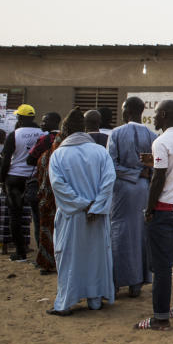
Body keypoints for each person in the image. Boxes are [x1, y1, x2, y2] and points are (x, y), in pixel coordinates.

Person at [46, 108, 116, 316]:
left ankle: (65, 303)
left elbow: (58, 186)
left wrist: (81, 204)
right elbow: (109, 181)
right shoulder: (100, 152)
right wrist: (96, 207)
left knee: (69, 258)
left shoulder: (58, 155)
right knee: (95, 258)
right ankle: (95, 301)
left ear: (65, 130)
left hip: (72, 217)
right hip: (96, 215)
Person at [135, 99, 173, 331]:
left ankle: (160, 318)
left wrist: (149, 209)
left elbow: (159, 179)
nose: (154, 118)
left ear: (165, 114)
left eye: (157, 114)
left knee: (160, 266)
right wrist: (154, 161)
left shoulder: (161, 141)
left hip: (166, 210)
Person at [106, 96, 156, 297]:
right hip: (144, 190)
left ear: (126, 112)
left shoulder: (116, 133)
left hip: (122, 191)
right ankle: (137, 283)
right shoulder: (152, 136)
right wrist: (143, 174)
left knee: (118, 232)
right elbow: (156, 166)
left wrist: (132, 174)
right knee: (140, 233)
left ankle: (117, 281)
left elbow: (111, 164)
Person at [0, 104, 46, 262]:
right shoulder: (43, 133)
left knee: (15, 215)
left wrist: (2, 180)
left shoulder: (14, 134)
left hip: (15, 178)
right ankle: (42, 254)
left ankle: (20, 253)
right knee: (38, 216)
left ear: (20, 118)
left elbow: (6, 160)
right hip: (35, 178)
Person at [29, 115, 64, 274]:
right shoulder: (66, 141)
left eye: (45, 120)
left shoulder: (46, 140)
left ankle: (45, 260)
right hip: (63, 194)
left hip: (47, 191)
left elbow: (30, 159)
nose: (42, 123)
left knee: (43, 225)